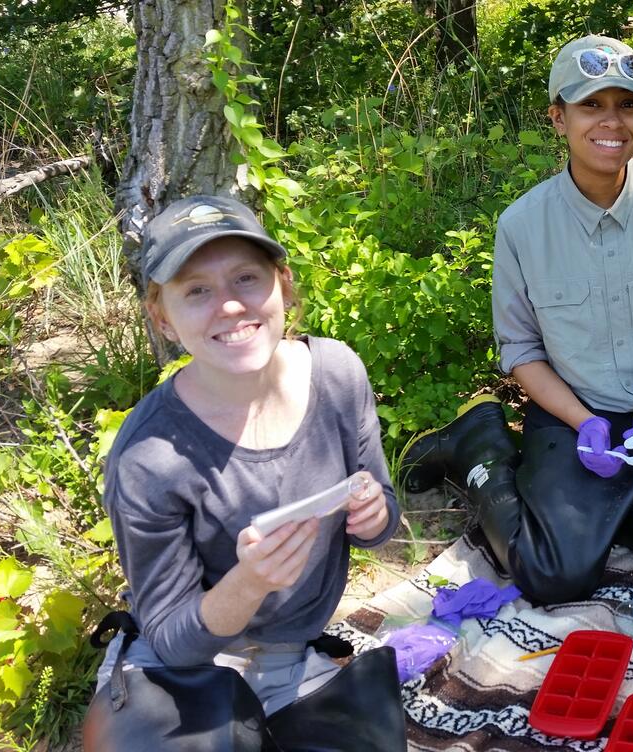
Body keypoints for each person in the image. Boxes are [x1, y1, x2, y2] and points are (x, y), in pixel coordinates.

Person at [401, 35, 633, 605]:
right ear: (558, 118)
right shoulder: (522, 226)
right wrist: (582, 421)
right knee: (555, 573)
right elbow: (521, 350)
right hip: (570, 417)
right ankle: (480, 446)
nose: (612, 122)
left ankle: (598, 506)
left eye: (627, 104)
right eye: (591, 105)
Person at [90, 196, 405, 747]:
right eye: (197, 291)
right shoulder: (149, 455)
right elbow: (171, 640)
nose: (231, 307)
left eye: (245, 278)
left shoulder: (337, 375)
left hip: (290, 660)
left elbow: (379, 521)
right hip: (183, 667)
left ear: (282, 283)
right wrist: (250, 581)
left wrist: (375, 513)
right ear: (162, 318)